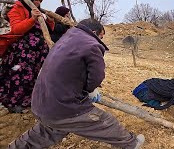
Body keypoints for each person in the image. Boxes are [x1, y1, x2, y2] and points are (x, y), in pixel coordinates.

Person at [8, 19, 144, 149]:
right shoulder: (92, 45)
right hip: (61, 105)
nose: (101, 40)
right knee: (105, 121)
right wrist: (90, 89)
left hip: (40, 102)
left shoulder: (67, 37)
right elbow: (96, 77)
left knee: (51, 128)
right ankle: (131, 143)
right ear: (95, 32)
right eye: (101, 36)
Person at [0, 0, 54, 113]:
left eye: (40, 1)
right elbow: (16, 29)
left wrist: (50, 22)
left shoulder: (40, 12)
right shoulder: (16, 9)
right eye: (35, 0)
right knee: (19, 74)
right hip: (22, 51)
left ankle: (29, 101)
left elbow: (48, 30)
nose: (38, 3)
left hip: (38, 51)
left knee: (35, 75)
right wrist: (32, 19)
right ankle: (13, 102)